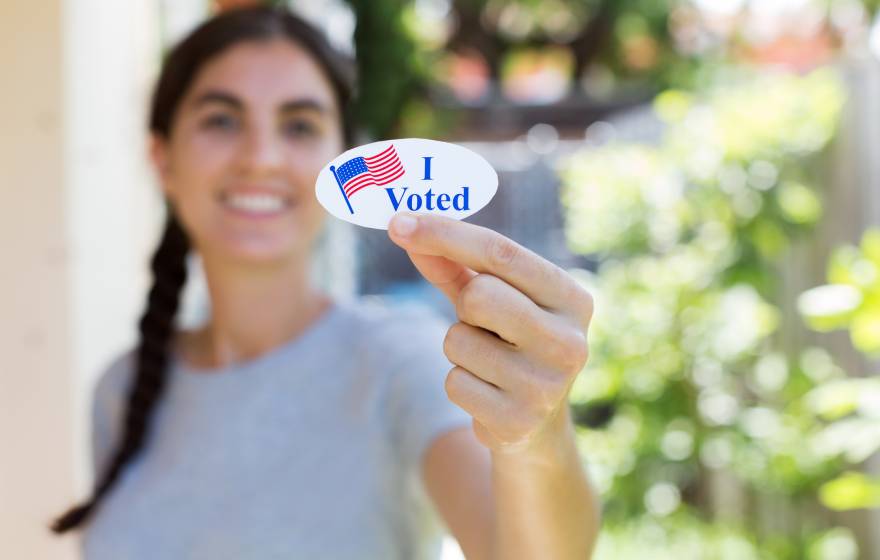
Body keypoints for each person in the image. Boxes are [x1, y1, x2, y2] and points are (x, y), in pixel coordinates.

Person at [50, 6, 600, 560]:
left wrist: (537, 436)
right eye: (221, 119)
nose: (261, 158)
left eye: (299, 125)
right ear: (162, 158)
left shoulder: (398, 361)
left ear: (342, 159)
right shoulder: (119, 391)